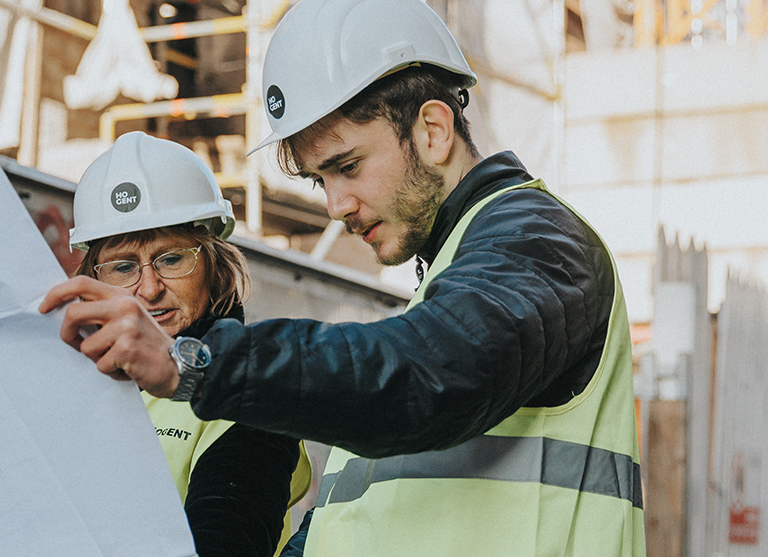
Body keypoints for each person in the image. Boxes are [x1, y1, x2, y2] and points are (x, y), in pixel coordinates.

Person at [40, 0, 645, 554]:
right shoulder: (453, 274)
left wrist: (194, 365)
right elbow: (356, 516)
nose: (334, 205)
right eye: (319, 179)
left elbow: (426, 374)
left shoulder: (539, 242)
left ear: (432, 130)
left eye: (347, 166)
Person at [68, 131, 312, 557]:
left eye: (171, 259)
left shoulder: (252, 391)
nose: (149, 289)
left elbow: (227, 537)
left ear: (213, 265)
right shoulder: (66, 384)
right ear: (94, 278)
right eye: (123, 267)